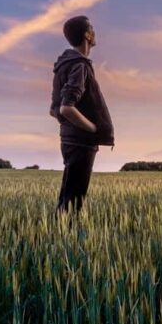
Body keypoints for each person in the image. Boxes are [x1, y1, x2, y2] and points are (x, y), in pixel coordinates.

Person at [50, 15, 115, 214]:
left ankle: (59, 236)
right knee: (74, 201)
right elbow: (65, 107)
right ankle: (65, 240)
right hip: (80, 141)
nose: (95, 32)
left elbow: (54, 109)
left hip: (69, 139)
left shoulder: (65, 65)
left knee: (69, 197)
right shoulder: (79, 65)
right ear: (87, 35)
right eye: (92, 29)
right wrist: (93, 129)